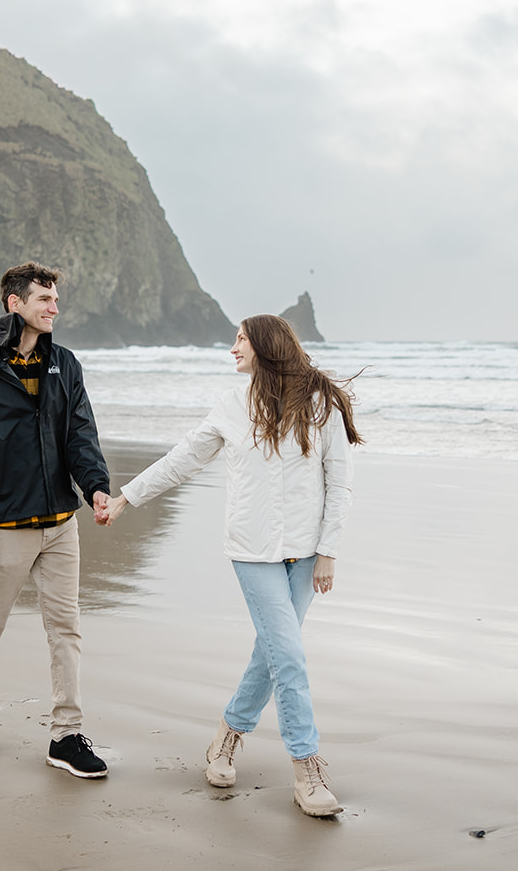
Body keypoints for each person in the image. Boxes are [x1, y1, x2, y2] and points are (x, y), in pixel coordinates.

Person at [97, 314, 361, 817]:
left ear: (264, 345)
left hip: (306, 553)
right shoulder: (232, 405)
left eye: (240, 338)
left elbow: (339, 482)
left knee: (274, 654)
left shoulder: (321, 403)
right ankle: (307, 767)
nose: (232, 347)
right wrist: (127, 496)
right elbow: (184, 459)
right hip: (252, 551)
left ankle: (227, 735)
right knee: (289, 657)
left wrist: (328, 551)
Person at [0, 261, 113, 779]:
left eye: (56, 299)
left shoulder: (65, 364)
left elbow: (81, 434)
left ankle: (65, 735)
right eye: (44, 299)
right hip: (4, 524)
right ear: (15, 303)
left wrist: (97, 487)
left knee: (66, 630)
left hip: (62, 523)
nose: (54, 308)